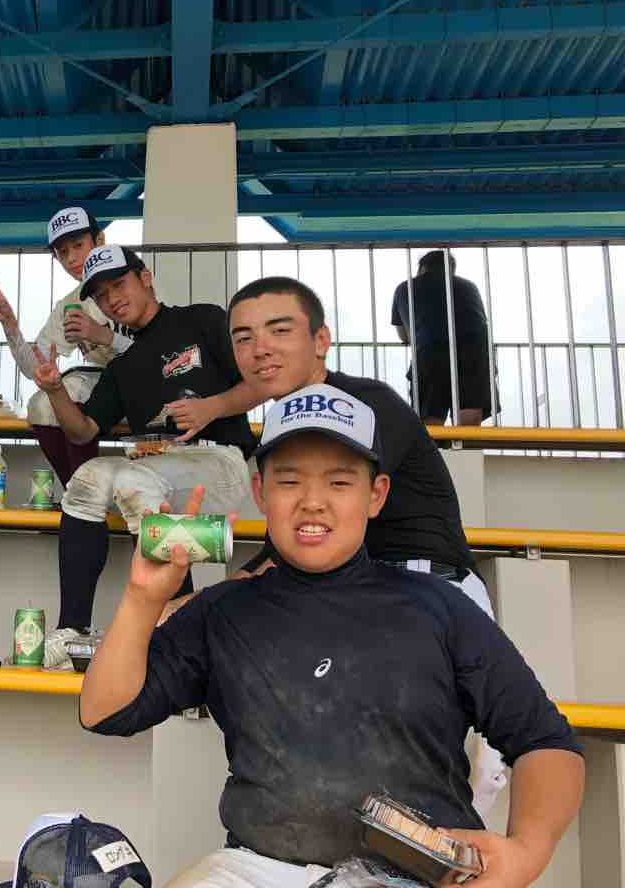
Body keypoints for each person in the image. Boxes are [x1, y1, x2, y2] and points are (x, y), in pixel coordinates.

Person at [80, 387, 584, 888]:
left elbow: (546, 742)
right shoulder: (221, 611)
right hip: (257, 870)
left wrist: (525, 853)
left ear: (376, 495)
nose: (313, 502)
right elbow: (106, 712)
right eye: (289, 481)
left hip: (412, 874)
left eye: (340, 482)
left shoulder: (439, 607)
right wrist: (142, 598)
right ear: (260, 492)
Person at [225, 275, 510, 817]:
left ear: (321, 340)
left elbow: (302, 540)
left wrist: (207, 602)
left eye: (279, 330)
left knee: (446, 788)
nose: (259, 348)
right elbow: (285, 546)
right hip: (355, 596)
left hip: (427, 587)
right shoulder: (286, 424)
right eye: (243, 337)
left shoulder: (363, 404)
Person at [31, 245, 260, 668]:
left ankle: (174, 633)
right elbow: (83, 430)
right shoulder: (124, 364)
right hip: (154, 470)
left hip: (220, 463)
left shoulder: (203, 319)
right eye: (101, 295)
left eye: (119, 284)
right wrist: (55, 390)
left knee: (132, 480)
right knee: (88, 476)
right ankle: (72, 629)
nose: (112, 299)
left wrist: (212, 407)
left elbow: (259, 383)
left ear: (146, 277)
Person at [0, 206, 135, 485]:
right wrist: (10, 324)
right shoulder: (70, 304)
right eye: (62, 252)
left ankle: (83, 495)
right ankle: (76, 489)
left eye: (78, 245)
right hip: (107, 391)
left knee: (72, 388)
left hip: (147, 383)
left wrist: (103, 335)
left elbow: (158, 350)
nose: (71, 258)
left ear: (100, 240)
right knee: (41, 402)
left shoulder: (132, 283)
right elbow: (35, 367)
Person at [391, 250, 496, 425]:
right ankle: (466, 441)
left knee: (430, 414)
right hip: (474, 350)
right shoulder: (469, 286)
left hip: (430, 351)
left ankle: (433, 441)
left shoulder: (405, 288)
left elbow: (404, 335)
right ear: (451, 269)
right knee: (469, 411)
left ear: (422, 267)